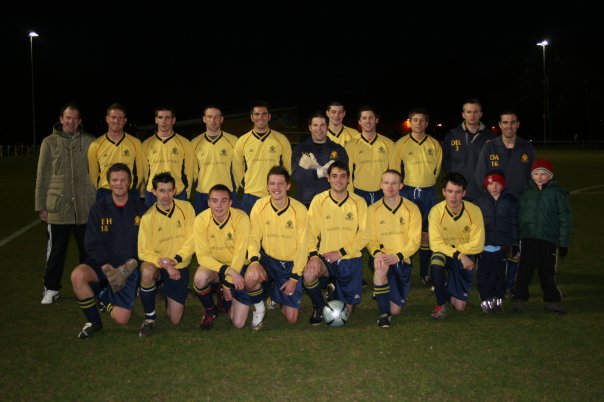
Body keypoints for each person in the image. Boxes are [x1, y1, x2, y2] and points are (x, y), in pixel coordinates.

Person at [70, 163, 147, 338]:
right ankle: (94, 321)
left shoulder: (141, 209)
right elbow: (90, 243)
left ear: (130, 183)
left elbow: (147, 243)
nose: (118, 184)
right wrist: (105, 267)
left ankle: (103, 296)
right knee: (78, 276)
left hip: (128, 267)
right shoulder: (98, 208)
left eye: (123, 180)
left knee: (122, 319)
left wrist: (131, 264)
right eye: (114, 180)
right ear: (108, 182)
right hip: (103, 264)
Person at [35, 104, 97, 304]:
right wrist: (41, 205)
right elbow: (42, 176)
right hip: (59, 207)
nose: (71, 122)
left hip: (85, 207)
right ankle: (51, 288)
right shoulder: (49, 142)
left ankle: (88, 286)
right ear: (61, 119)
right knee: (56, 251)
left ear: (80, 121)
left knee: (88, 250)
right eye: (67, 118)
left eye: (75, 118)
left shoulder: (90, 142)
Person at [474, 109, 535, 297]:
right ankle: (496, 281)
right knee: (499, 245)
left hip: (520, 205)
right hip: (498, 206)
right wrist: (490, 200)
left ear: (518, 125)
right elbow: (480, 177)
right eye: (505, 123)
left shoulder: (527, 148)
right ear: (500, 125)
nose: (509, 126)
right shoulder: (490, 147)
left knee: (516, 245)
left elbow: (534, 177)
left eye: (512, 122)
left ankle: (512, 284)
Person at [303, 160, 368, 323]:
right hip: (326, 258)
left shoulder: (359, 202)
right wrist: (313, 255)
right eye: (334, 176)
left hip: (349, 258)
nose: (338, 180)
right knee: (309, 274)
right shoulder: (319, 201)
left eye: (342, 176)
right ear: (328, 179)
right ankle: (319, 306)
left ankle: (333, 287)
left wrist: (341, 252)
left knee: (345, 314)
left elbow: (364, 235)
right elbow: (310, 232)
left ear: (348, 179)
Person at [246, 166, 308, 328]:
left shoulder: (300, 210)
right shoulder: (260, 206)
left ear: (288, 186)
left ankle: (276, 295)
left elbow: (303, 246)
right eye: (272, 183)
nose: (276, 187)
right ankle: (259, 309)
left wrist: (295, 277)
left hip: (290, 266)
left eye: (281, 183)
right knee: (251, 276)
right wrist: (254, 260)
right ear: (267, 186)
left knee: (291, 319)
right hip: (268, 260)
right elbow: (253, 238)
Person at [137, 172, 196, 337]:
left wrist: (175, 260)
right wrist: (163, 263)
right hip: (159, 264)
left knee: (175, 319)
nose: (166, 195)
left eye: (170, 190)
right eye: (162, 190)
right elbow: (143, 251)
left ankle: (165, 288)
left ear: (175, 190)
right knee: (147, 272)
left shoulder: (186, 208)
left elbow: (193, 239)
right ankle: (150, 317)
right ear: (153, 192)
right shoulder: (148, 217)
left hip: (179, 265)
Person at [391, 107, 443, 287]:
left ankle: (423, 273)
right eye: (415, 120)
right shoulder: (401, 144)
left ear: (427, 124)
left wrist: (426, 183)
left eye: (422, 120)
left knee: (426, 234)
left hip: (428, 192)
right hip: (408, 192)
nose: (419, 124)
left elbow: (436, 170)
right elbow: (395, 169)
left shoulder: (434, 144)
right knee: (405, 231)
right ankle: (403, 268)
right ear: (409, 122)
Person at [513, 159, 571, 314]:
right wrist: (516, 240)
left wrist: (563, 242)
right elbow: (519, 216)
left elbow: (564, 218)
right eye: (536, 173)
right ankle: (519, 298)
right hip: (528, 238)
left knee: (547, 272)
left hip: (548, 240)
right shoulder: (526, 192)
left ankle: (552, 300)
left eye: (543, 174)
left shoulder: (557, 193)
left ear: (550, 176)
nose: (539, 177)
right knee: (524, 271)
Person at [367, 170, 421, 328]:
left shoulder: (412, 209)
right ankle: (384, 315)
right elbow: (370, 239)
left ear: (401, 186)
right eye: (386, 183)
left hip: (402, 259)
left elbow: (415, 240)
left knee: (396, 310)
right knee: (381, 267)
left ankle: (381, 290)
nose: (390, 187)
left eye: (394, 183)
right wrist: (377, 253)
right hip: (382, 256)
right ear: (380, 185)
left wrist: (398, 256)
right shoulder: (372, 210)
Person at [193, 184, 251, 329]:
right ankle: (210, 310)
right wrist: (229, 272)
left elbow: (240, 253)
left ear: (230, 203)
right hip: (217, 267)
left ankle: (223, 291)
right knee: (200, 278)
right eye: (214, 201)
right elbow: (202, 257)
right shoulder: (201, 220)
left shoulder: (241, 218)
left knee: (237, 323)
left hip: (238, 267)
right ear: (208, 203)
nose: (219, 206)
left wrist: (228, 283)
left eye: (223, 201)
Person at [428, 172, 485, 320]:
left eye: (458, 192)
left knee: (459, 307)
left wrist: (458, 251)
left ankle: (442, 285)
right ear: (443, 192)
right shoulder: (436, 212)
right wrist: (459, 254)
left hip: (464, 255)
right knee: (436, 262)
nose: (453, 196)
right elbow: (435, 244)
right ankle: (440, 304)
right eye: (450, 191)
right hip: (450, 255)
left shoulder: (474, 211)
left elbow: (478, 244)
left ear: (464, 193)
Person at [233, 101, 292, 215]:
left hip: (274, 194)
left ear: (269, 117)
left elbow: (288, 166)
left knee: (274, 230)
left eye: (264, 114)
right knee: (250, 231)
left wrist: (280, 185)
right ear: (252, 117)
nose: (261, 117)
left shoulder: (281, 139)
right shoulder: (243, 140)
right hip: (250, 194)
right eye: (257, 114)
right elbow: (237, 167)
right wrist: (245, 183)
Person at [473, 171, 519, 313]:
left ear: (503, 185)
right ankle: (485, 298)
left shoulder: (510, 201)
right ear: (486, 185)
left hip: (502, 244)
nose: (494, 187)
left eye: (498, 184)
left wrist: (515, 243)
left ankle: (498, 297)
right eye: (491, 183)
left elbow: (514, 223)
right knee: (484, 274)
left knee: (500, 274)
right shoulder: (479, 201)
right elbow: (473, 224)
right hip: (484, 245)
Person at [87, 103, 147, 199]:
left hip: (129, 192)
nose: (117, 121)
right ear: (107, 119)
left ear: (125, 121)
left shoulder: (136, 143)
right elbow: (93, 174)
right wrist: (104, 187)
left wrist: (131, 188)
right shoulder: (95, 145)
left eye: (120, 118)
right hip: (105, 193)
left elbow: (140, 172)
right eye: (113, 117)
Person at [442, 98, 496, 201]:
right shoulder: (452, 135)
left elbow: (495, 164)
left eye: (475, 112)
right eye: (469, 112)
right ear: (463, 114)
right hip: (458, 191)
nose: (472, 115)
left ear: (480, 114)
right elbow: (445, 161)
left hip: (482, 192)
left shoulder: (491, 137)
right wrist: (454, 182)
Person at [291, 112, 348, 207]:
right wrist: (319, 172)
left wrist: (313, 168)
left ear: (327, 127)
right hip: (305, 202)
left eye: (322, 125)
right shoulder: (300, 149)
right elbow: (296, 175)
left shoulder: (338, 150)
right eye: (315, 125)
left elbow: (342, 177)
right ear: (310, 127)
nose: (319, 129)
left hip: (331, 201)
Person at [142, 106, 194, 208]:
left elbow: (189, 171)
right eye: (160, 117)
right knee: (152, 224)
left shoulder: (185, 143)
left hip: (177, 193)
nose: (163, 121)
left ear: (173, 120)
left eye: (167, 118)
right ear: (156, 120)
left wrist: (186, 193)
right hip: (153, 194)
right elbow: (145, 172)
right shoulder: (146, 144)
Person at [191, 105, 239, 214]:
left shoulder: (233, 141)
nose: (213, 120)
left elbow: (238, 168)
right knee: (202, 228)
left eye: (217, 117)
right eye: (210, 117)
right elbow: (193, 171)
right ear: (204, 119)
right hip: (202, 193)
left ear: (222, 119)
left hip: (226, 192)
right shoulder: (194, 143)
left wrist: (234, 187)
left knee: (231, 227)